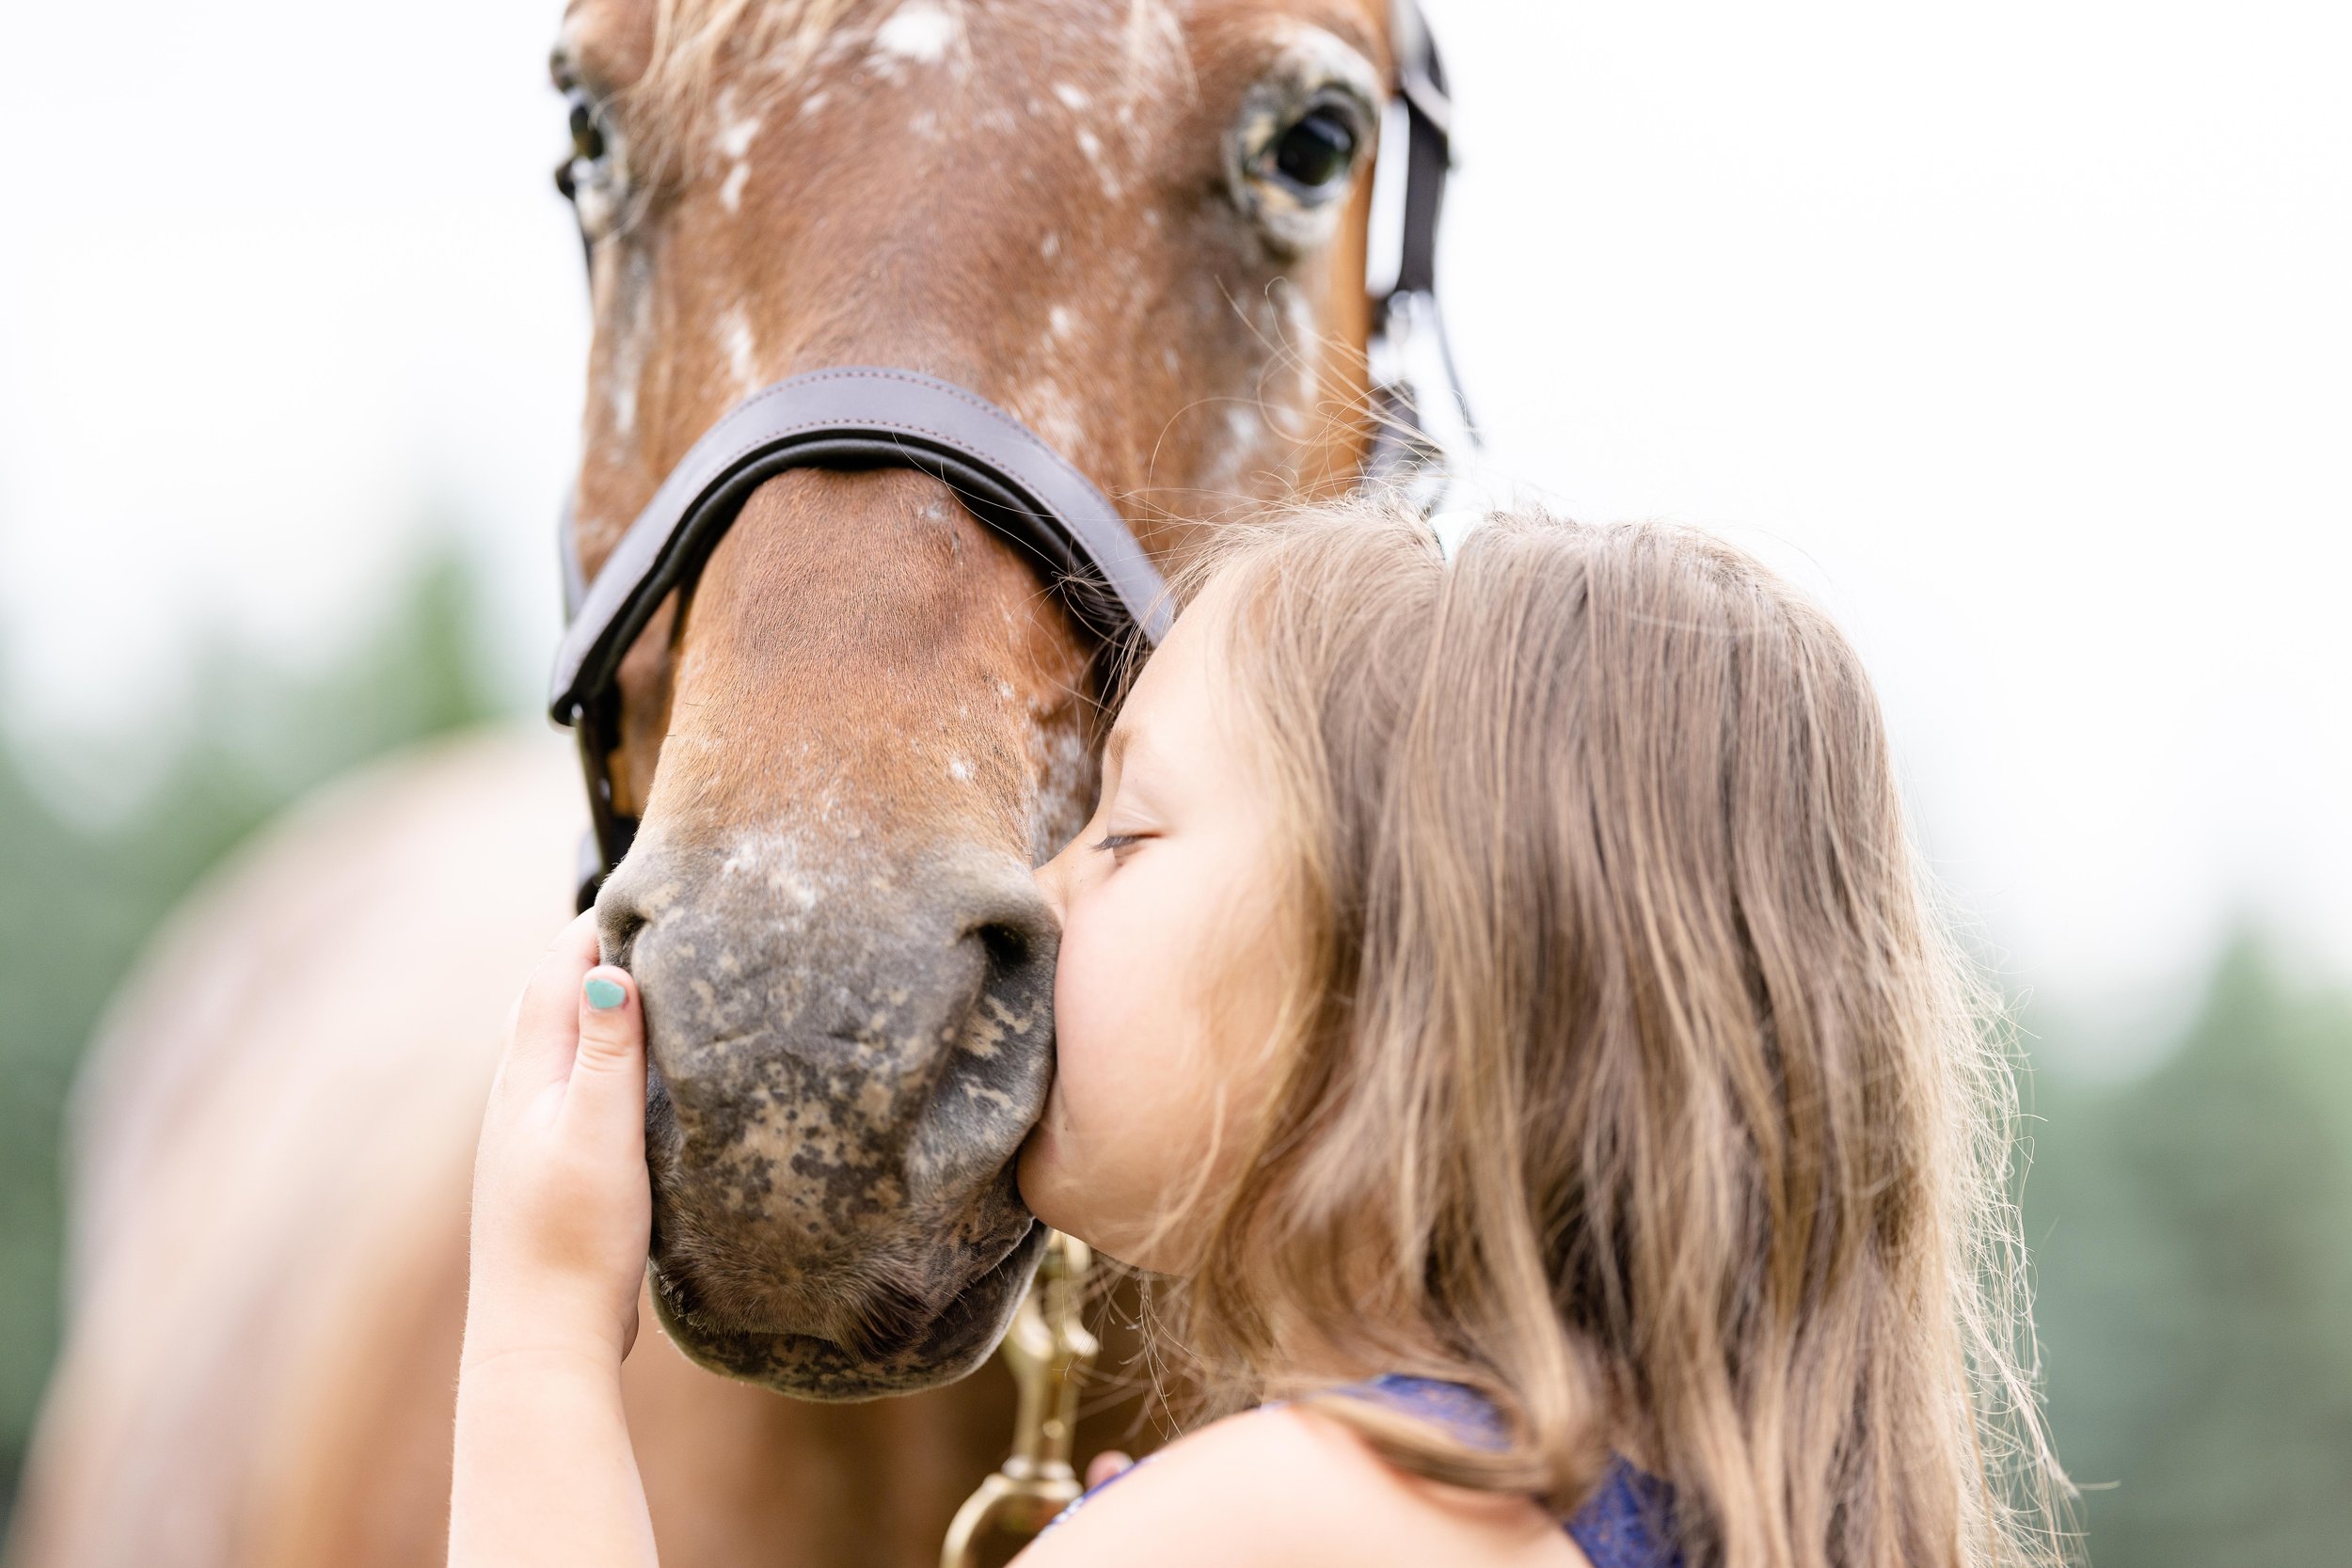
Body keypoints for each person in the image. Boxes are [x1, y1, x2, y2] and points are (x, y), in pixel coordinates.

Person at [449, 499, 2068, 1568]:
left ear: (1400, 987)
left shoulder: (1299, 1531)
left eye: (1127, 834)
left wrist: (535, 1335)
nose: (1046, 888)